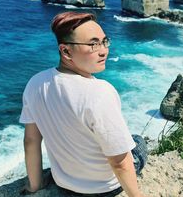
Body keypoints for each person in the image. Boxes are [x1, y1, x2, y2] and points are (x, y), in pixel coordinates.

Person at [19, 11, 147, 196]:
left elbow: (31, 141)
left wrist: (35, 186)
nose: (103, 50)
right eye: (93, 44)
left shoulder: (35, 83)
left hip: (64, 183)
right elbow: (119, 162)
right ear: (66, 51)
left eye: (104, 41)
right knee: (139, 142)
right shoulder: (100, 92)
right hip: (104, 189)